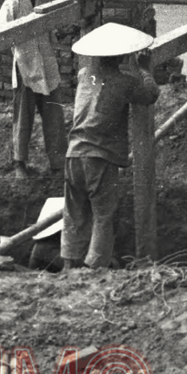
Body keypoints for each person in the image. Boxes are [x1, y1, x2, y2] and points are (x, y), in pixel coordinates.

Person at [61, 22, 160, 271]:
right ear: (122, 56)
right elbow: (150, 94)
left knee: (74, 212)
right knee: (104, 214)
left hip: (73, 153)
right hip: (99, 156)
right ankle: (96, 267)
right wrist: (144, 70)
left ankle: (69, 264)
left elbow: (98, 82)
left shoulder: (85, 76)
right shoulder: (125, 82)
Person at [0, 0, 69, 179]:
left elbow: (53, 33)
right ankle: (19, 163)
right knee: (23, 116)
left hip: (46, 65)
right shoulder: (13, 4)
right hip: (24, 65)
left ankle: (58, 163)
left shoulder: (45, 4)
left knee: (54, 115)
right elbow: (0, 34)